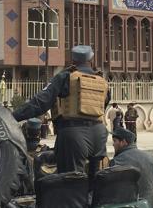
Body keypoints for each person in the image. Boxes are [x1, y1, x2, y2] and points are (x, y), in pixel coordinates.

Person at [12, 45, 109, 177]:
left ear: (72, 60)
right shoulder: (102, 80)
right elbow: (104, 104)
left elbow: (40, 103)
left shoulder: (65, 77)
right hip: (99, 133)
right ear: (91, 59)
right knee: (96, 180)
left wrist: (12, 116)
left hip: (73, 134)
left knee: (72, 181)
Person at [110, 128, 153, 208]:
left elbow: (112, 189)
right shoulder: (150, 157)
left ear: (123, 142)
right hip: (149, 204)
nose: (113, 144)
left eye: (115, 141)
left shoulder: (116, 161)